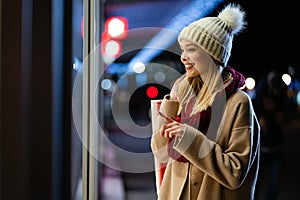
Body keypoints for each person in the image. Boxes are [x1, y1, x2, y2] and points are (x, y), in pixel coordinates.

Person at [151, 3, 260, 200]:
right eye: (182, 50)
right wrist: (171, 105)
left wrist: (190, 139)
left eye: (191, 49)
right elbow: (160, 154)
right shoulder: (183, 95)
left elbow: (235, 173)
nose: (183, 57)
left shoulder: (238, 103)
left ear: (213, 55)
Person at [254, 70, 292, 200]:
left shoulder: (282, 92)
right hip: (262, 146)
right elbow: (255, 112)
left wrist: (282, 117)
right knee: (256, 180)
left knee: (275, 181)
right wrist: (261, 118)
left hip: (277, 145)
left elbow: (287, 117)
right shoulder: (262, 89)